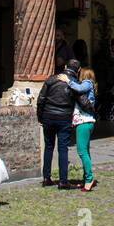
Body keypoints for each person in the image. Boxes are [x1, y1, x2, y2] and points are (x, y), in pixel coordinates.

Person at [37, 59, 82, 190]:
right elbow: (80, 100)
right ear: (78, 71)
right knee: (63, 148)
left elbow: (41, 99)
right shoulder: (74, 83)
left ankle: (46, 177)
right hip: (64, 117)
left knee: (49, 147)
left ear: (65, 67)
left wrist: (40, 116)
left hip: (49, 116)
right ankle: (63, 180)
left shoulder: (52, 79)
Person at [71, 66, 99, 190]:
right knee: (85, 151)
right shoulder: (89, 86)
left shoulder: (87, 83)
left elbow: (78, 87)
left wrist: (68, 81)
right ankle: (86, 177)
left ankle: (89, 179)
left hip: (84, 122)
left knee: (82, 151)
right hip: (85, 122)